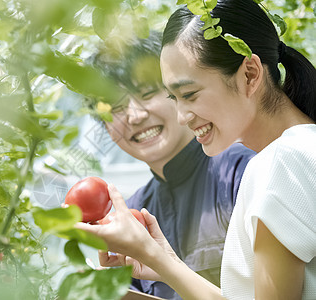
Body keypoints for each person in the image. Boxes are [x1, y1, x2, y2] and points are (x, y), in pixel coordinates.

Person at [77, 0, 316, 299]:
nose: (182, 116)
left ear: (250, 74)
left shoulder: (279, 162)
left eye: (189, 94)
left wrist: (157, 259)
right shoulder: (294, 152)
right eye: (175, 98)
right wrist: (160, 261)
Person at [89, 32, 255, 299]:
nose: (135, 115)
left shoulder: (241, 169)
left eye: (148, 93)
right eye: (116, 107)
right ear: (106, 127)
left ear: (181, 94)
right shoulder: (132, 213)